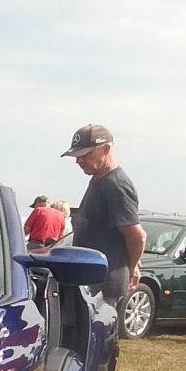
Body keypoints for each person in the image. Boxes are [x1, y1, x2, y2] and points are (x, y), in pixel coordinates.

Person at [61, 123, 146, 325]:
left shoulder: (115, 185)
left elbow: (137, 236)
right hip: (89, 280)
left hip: (104, 285)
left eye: (85, 155)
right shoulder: (99, 179)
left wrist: (132, 268)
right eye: (76, 156)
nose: (79, 161)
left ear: (105, 149)